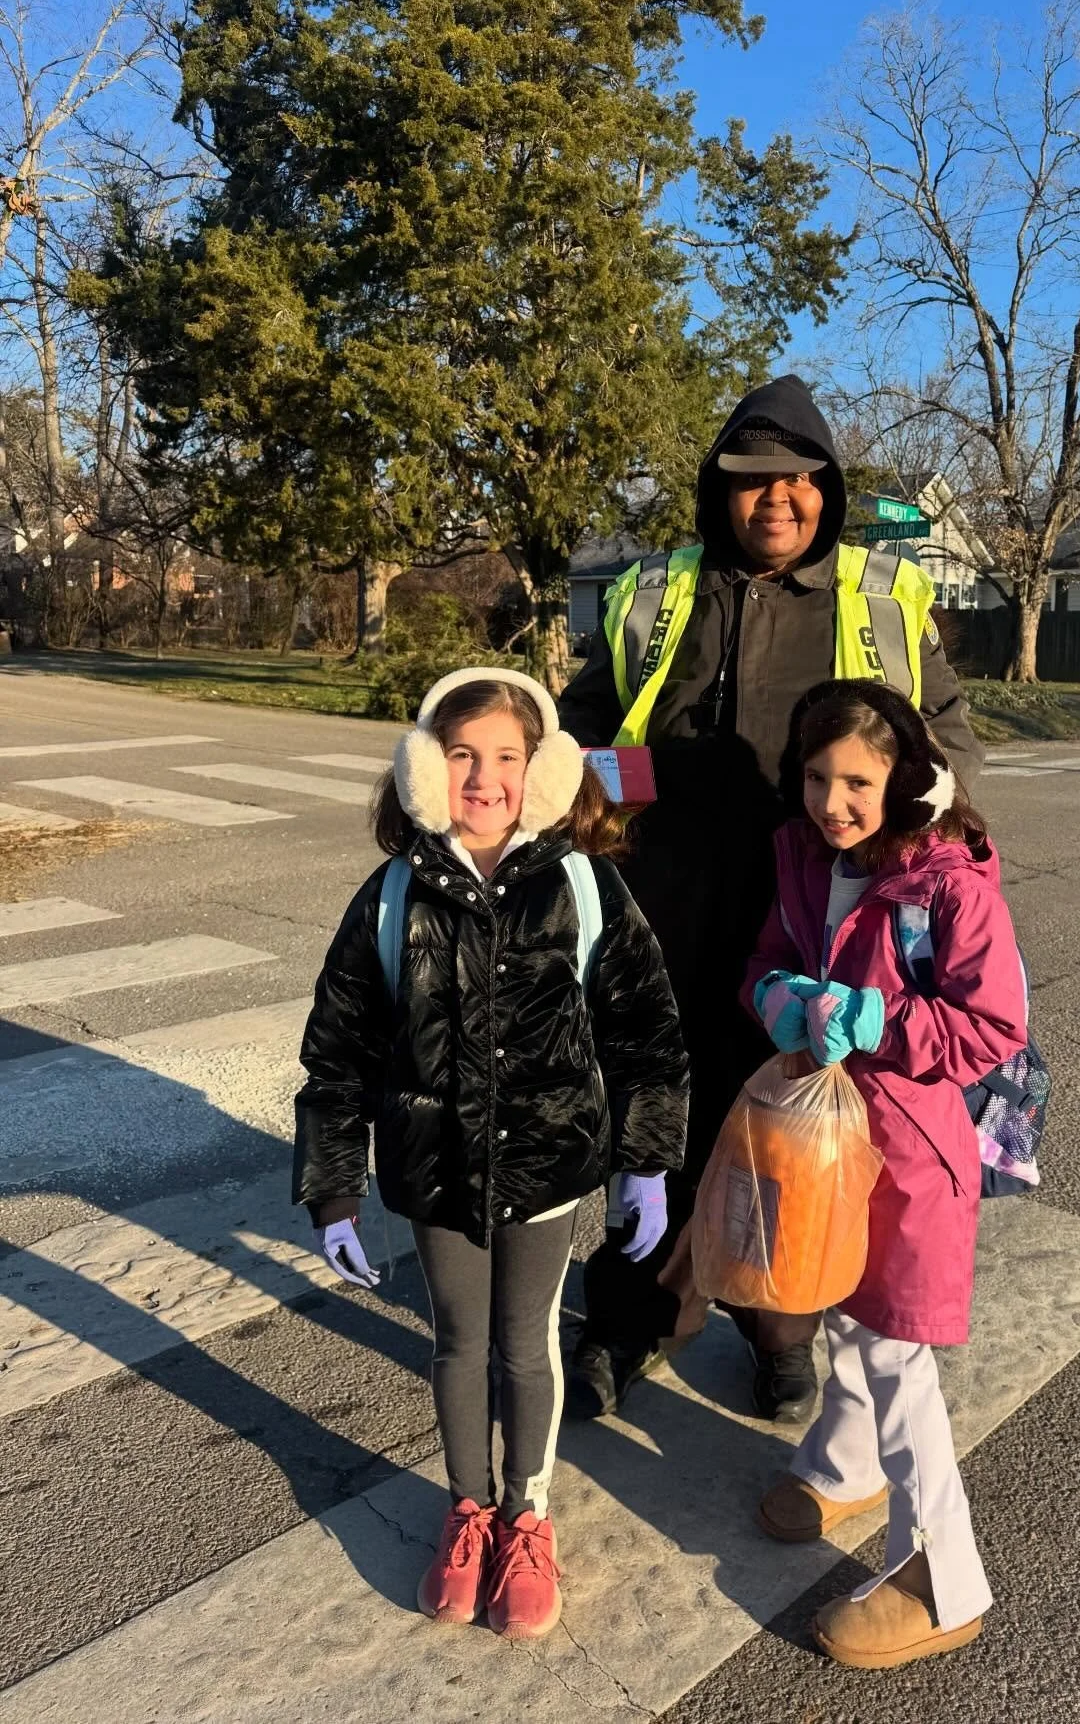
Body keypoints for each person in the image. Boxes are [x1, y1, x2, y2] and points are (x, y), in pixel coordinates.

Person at [559, 373, 984, 1424]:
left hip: (809, 913)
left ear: (828, 490)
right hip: (661, 902)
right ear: (720, 492)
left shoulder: (880, 599)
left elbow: (947, 740)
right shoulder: (655, 591)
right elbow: (583, 725)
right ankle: (626, 1316)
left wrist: (943, 850)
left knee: (787, 1131)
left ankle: (775, 1326)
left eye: (798, 480)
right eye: (752, 482)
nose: (777, 500)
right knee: (652, 1115)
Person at [293, 668, 688, 1640]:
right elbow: (337, 1051)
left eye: (506, 757)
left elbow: (645, 1025)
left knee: (527, 1342)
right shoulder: (390, 898)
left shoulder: (585, 886)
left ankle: (528, 1514)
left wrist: (645, 1160)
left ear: (541, 770)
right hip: (432, 1169)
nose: (484, 777)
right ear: (426, 767)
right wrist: (334, 1185)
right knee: (457, 1343)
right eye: (462, 755)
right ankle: (468, 1510)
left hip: (549, 1164)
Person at [744, 679, 1026, 1669]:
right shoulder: (802, 856)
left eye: (856, 781)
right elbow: (767, 959)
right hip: (825, 1144)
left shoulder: (949, 880)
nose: (832, 802)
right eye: (817, 777)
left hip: (911, 1150)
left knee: (894, 1348)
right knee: (841, 1311)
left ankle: (945, 1577)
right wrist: (780, 997)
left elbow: (994, 1024)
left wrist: (881, 1022)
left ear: (904, 776)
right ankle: (845, 1460)